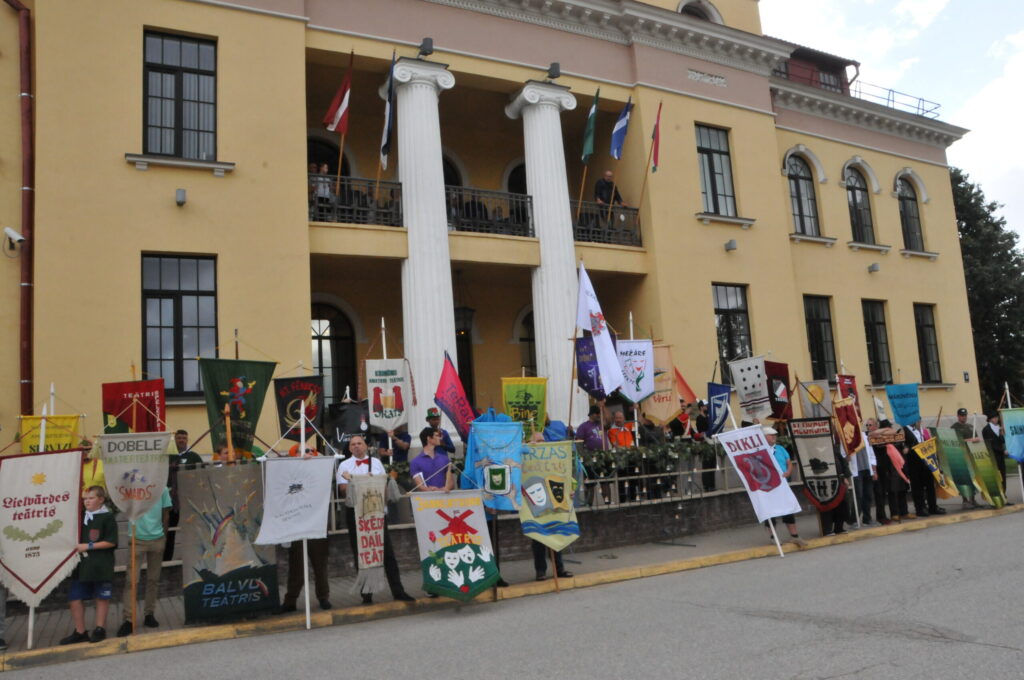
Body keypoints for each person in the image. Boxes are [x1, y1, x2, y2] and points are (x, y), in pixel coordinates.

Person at [336, 434, 415, 604]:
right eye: (353, 444)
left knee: (387, 553)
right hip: (356, 513)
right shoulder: (344, 465)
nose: (356, 446)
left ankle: (398, 591)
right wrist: (360, 482)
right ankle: (367, 595)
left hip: (376, 513)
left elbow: (384, 487)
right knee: (362, 553)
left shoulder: (377, 463)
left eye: (359, 443)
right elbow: (343, 490)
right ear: (350, 448)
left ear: (365, 446)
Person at [60, 486, 118, 645]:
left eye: (91, 498)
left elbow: (111, 541)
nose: (87, 501)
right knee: (75, 598)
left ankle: (100, 629)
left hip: (101, 564)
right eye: (85, 498)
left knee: (101, 597)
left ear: (101, 499)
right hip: (82, 565)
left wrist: (88, 546)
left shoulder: (107, 517)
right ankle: (80, 631)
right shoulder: (80, 516)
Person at [279, 446, 333, 614]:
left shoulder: (319, 471)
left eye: (310, 452)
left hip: (317, 522)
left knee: (320, 564)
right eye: (301, 452)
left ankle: (323, 596)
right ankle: (291, 600)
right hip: (297, 524)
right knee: (296, 565)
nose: (306, 454)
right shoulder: (288, 474)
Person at [117, 486, 172, 636]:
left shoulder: (163, 489)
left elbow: (166, 513)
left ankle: (149, 614)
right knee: (131, 581)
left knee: (153, 579)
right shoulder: (132, 488)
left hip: (157, 538)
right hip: (137, 539)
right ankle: (129, 619)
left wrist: (164, 537)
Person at [762, 427, 805, 545]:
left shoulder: (780, 448)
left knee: (788, 508)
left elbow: (788, 462)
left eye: (774, 435)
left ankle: (794, 535)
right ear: (764, 437)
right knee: (770, 511)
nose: (774, 437)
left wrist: (788, 472)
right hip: (768, 485)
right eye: (771, 435)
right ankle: (773, 537)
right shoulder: (761, 451)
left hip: (783, 483)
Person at [165, 429, 202, 561]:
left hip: (189, 501)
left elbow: (201, 476)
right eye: (179, 438)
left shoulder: (194, 457)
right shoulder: (168, 456)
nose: (181, 440)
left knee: (190, 531)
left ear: (187, 440)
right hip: (171, 502)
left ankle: (192, 558)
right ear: (175, 439)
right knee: (170, 531)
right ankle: (166, 559)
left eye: (184, 438)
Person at [902, 419, 943, 517]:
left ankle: (932, 506)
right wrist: (906, 448)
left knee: (930, 485)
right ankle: (920, 508)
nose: (918, 421)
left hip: (925, 461)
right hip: (913, 463)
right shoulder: (903, 431)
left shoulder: (919, 430)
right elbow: (903, 447)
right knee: (917, 487)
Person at [864, 418, 898, 525]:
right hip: (875, 468)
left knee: (884, 492)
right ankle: (881, 517)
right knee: (878, 493)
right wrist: (878, 431)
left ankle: (884, 515)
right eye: (867, 425)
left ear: (876, 425)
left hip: (884, 468)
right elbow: (871, 434)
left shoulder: (882, 435)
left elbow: (892, 431)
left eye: (870, 425)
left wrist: (881, 431)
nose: (868, 427)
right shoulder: (866, 435)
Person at [950, 407, 981, 507]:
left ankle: (973, 499)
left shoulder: (971, 426)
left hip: (971, 455)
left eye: (965, 415)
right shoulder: (954, 427)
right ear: (958, 416)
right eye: (962, 415)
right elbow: (954, 442)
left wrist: (976, 440)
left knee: (973, 479)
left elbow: (976, 439)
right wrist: (969, 440)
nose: (964, 417)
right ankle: (965, 500)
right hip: (961, 456)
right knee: (963, 479)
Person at [849, 437, 877, 526]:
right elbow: (844, 455)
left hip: (867, 470)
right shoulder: (848, 437)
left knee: (868, 495)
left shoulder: (865, 437)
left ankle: (867, 519)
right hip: (857, 471)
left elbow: (872, 455)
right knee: (858, 496)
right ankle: (854, 520)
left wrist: (874, 471)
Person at [982, 413, 1010, 497]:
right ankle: (997, 496)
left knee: (1002, 475)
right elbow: (990, 445)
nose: (996, 419)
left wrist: (1001, 433)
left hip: (1000, 456)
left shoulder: (999, 428)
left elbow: (1002, 441)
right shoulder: (986, 429)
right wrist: (1002, 450)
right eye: (994, 418)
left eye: (996, 417)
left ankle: (1003, 494)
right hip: (993, 456)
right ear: (990, 419)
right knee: (996, 476)